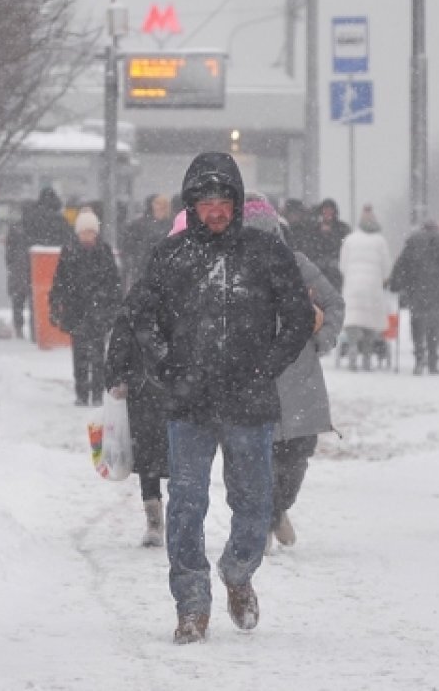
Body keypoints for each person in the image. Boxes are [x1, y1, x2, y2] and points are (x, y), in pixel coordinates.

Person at [129, 151, 314, 644]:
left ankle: (238, 570)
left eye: (222, 201)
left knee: (254, 503)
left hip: (249, 402)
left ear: (235, 202)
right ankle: (191, 604)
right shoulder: (169, 257)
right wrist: (166, 363)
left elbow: (298, 317)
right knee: (186, 505)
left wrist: (268, 366)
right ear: (191, 205)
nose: (214, 211)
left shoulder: (266, 253)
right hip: (188, 403)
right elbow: (141, 317)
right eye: (204, 202)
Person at [240, 193, 344, 553]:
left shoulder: (298, 264)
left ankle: (278, 509)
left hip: (300, 378)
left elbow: (333, 303)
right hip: (255, 380)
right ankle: (266, 521)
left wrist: (322, 340)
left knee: (298, 454)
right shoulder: (234, 270)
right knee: (261, 457)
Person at [105, 296, 170, 548]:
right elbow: (118, 347)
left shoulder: (189, 295)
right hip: (142, 393)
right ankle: (154, 518)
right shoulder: (136, 305)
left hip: (179, 392)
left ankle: (181, 520)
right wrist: (116, 378)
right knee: (148, 459)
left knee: (181, 460)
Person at [49, 209, 121, 406]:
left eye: (90, 232)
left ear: (96, 233)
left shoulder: (104, 252)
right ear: (78, 233)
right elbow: (59, 281)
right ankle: (81, 393)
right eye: (83, 232)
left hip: (100, 311)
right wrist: (55, 305)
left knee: (99, 356)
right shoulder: (69, 251)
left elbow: (114, 283)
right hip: (77, 310)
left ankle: (97, 394)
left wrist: (114, 308)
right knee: (79, 354)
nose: (87, 236)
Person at [389, 219, 439, 376]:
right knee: (434, 327)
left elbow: (401, 266)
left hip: (416, 292)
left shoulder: (412, 244)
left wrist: (395, 284)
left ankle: (419, 357)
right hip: (437, 293)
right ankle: (433, 361)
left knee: (417, 325)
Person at [4, 188, 73, 340]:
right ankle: (42, 331)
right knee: (43, 300)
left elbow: (11, 249)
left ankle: (20, 328)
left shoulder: (26, 221)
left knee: (22, 299)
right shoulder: (60, 221)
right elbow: (69, 243)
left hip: (25, 266)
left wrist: (11, 263)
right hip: (50, 267)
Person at [338, 205, 393, 372]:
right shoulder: (380, 241)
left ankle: (353, 348)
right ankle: (367, 357)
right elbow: (387, 267)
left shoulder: (350, 240)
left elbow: (342, 266)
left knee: (353, 321)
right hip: (372, 287)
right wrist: (383, 279)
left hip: (353, 287)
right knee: (370, 323)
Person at [121, 193, 172, 289]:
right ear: (152, 206)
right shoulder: (139, 225)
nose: (160, 208)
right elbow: (129, 246)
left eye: (163, 205)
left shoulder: (171, 224)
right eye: (158, 204)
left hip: (165, 270)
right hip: (144, 268)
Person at [300, 198, 350, 292]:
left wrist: (335, 262)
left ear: (335, 212)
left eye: (330, 210)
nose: (327, 213)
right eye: (325, 210)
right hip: (319, 273)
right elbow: (309, 250)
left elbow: (346, 249)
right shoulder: (313, 230)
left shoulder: (342, 229)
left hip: (337, 275)